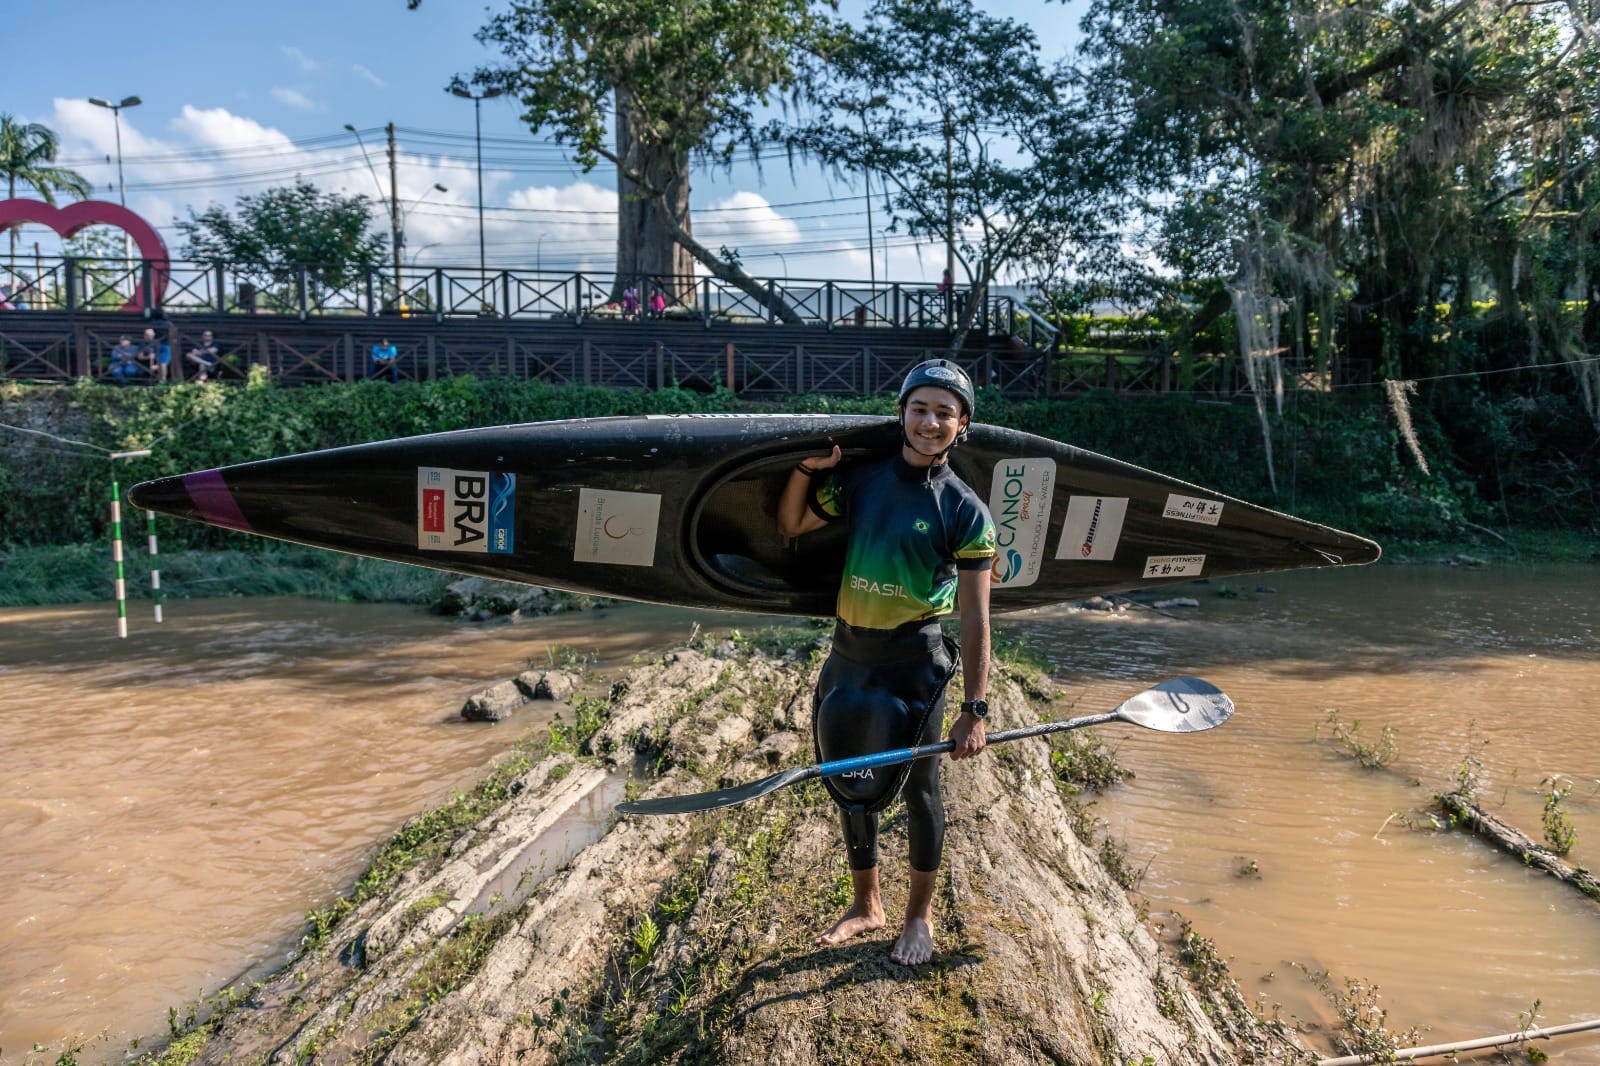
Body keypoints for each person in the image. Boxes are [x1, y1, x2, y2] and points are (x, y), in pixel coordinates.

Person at [776, 358, 996, 967]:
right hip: (849, 652)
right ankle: (865, 904)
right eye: (919, 408)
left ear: (962, 425)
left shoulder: (965, 510)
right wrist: (805, 470)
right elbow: (792, 523)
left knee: (920, 789)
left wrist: (975, 710)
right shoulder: (863, 481)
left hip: (913, 660)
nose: (930, 422)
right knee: (848, 778)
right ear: (902, 413)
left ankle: (918, 917)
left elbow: (976, 619)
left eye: (944, 413)